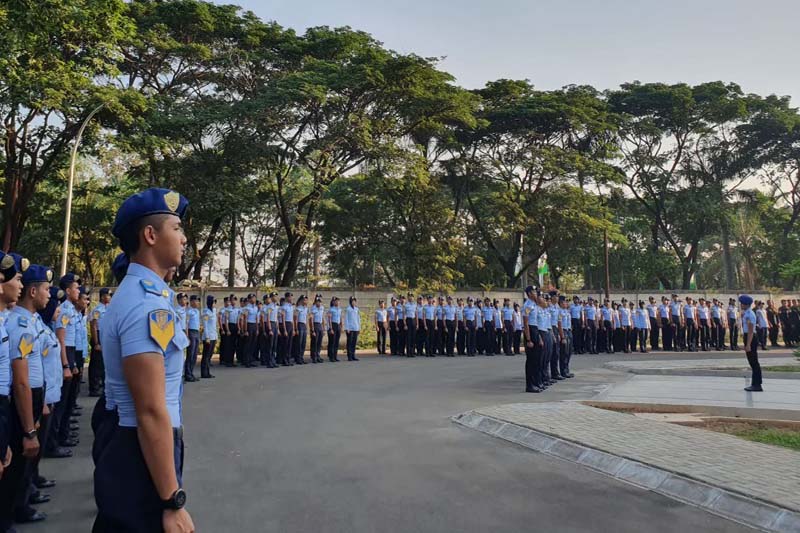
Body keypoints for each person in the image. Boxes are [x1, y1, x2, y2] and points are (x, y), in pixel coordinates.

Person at [93, 188, 194, 532]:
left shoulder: (141, 296)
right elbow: (149, 409)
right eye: (177, 228)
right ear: (150, 235)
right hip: (139, 449)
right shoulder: (146, 306)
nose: (184, 238)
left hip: (134, 442)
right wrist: (171, 500)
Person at [0, 260, 49, 529]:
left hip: (27, 397)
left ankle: (17, 505)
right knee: (15, 464)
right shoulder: (18, 323)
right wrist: (29, 429)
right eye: (15, 279)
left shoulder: (25, 321)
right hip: (15, 400)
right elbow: (20, 381)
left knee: (18, 464)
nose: (18, 284)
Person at [54, 273, 80, 450]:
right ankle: (56, 439)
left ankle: (63, 433)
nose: (78, 290)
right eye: (76, 288)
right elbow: (61, 339)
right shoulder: (64, 309)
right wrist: (66, 365)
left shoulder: (70, 308)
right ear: (68, 290)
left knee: (67, 400)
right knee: (61, 402)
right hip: (66, 353)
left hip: (72, 353)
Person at [89, 288, 112, 397]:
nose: (110, 297)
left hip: (105, 336)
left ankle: (102, 385)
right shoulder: (98, 310)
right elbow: (93, 326)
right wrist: (96, 342)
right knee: (96, 365)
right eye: (108, 295)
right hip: (98, 336)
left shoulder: (109, 309)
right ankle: (94, 388)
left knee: (103, 364)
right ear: (102, 297)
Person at [738, 294, 762, 393]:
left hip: (750, 338)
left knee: (754, 362)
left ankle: (757, 385)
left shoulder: (749, 314)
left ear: (745, 304)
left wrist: (748, 344)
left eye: (742, 303)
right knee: (752, 362)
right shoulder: (747, 313)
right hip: (748, 337)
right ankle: (755, 384)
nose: (740, 305)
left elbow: (751, 330)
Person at [523, 286, 542, 393]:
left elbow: (536, 323)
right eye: (534, 292)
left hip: (535, 330)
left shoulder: (534, 304)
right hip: (530, 331)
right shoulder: (527, 305)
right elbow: (525, 323)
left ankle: (535, 383)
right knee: (531, 360)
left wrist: (538, 337)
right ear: (529, 293)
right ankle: (529, 385)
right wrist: (529, 339)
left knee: (536, 359)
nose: (536, 293)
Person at [184, 295, 201, 380]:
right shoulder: (188, 311)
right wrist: (187, 336)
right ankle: (187, 374)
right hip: (191, 332)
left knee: (194, 355)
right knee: (190, 354)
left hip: (196, 332)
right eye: (196, 301)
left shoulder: (197, 311)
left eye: (198, 301)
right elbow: (186, 324)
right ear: (191, 302)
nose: (198, 302)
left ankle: (191, 373)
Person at [200, 296, 217, 378]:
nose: (214, 304)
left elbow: (214, 325)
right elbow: (205, 325)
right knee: (206, 356)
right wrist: (207, 337)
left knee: (209, 356)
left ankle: (208, 372)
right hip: (208, 337)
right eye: (213, 302)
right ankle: (204, 373)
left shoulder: (214, 311)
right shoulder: (206, 312)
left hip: (213, 336)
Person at [309, 296, 326, 364]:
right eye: (317, 302)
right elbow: (311, 319)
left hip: (320, 325)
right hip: (315, 325)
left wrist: (324, 328)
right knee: (314, 342)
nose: (319, 303)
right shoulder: (313, 308)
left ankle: (318, 355)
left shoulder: (322, 308)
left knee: (319, 342)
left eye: (320, 302)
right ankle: (314, 356)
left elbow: (322, 318)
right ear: (315, 302)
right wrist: (312, 330)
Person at [344, 297, 361, 361]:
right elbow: (346, 319)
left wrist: (359, 328)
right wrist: (347, 328)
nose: (353, 302)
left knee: (354, 343)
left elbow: (358, 319)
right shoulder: (348, 309)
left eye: (354, 301)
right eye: (352, 301)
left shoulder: (356, 309)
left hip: (355, 328)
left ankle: (353, 355)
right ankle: (349, 356)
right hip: (350, 329)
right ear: (350, 302)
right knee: (349, 343)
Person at [327, 297, 342, 362]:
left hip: (338, 325)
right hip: (333, 325)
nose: (337, 302)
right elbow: (329, 320)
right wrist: (331, 328)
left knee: (336, 342)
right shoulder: (331, 310)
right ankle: (331, 356)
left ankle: (335, 356)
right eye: (336, 301)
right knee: (332, 342)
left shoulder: (339, 309)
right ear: (333, 302)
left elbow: (340, 318)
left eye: (338, 301)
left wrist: (341, 326)